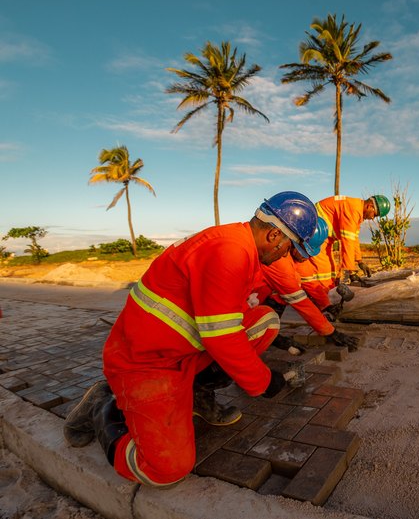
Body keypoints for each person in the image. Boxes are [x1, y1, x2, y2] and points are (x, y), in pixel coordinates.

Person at [62, 192, 319, 487]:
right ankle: (102, 408)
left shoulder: (238, 245)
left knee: (263, 321)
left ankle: (194, 392)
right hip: (146, 362)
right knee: (166, 469)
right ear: (275, 234)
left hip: (178, 351)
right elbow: (222, 337)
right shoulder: (231, 252)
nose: (286, 255)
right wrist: (264, 381)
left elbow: (228, 320)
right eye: (289, 247)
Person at [259, 217, 360, 351]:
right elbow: (300, 302)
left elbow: (311, 284)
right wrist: (331, 332)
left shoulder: (297, 258)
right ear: (294, 240)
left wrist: (326, 306)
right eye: (305, 251)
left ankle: (268, 328)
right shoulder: (278, 260)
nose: (307, 257)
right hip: (247, 304)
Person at [315, 194, 390, 284]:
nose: (373, 218)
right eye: (375, 215)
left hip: (323, 235)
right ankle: (325, 292)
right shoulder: (353, 210)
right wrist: (349, 272)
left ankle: (330, 291)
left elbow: (354, 239)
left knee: (330, 271)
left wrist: (359, 261)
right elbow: (348, 243)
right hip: (316, 234)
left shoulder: (357, 211)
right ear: (369, 206)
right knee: (323, 270)